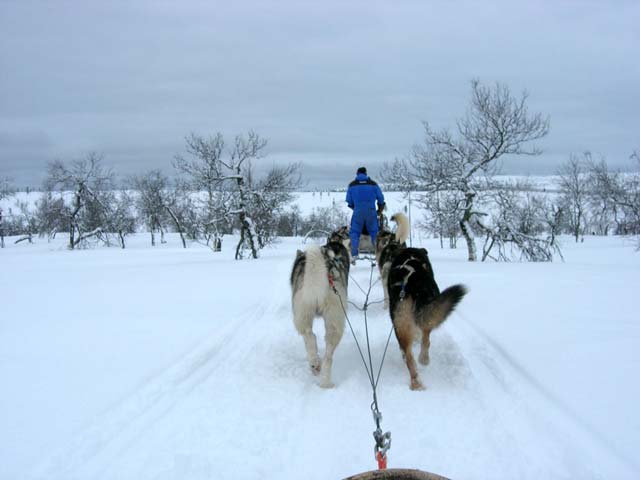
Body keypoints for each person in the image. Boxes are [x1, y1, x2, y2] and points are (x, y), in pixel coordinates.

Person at [345, 166, 385, 260]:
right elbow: (381, 199)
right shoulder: (373, 184)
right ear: (366, 174)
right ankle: (377, 254)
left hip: (358, 211)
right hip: (371, 211)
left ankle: (354, 255)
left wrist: (356, 208)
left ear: (357, 174)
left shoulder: (352, 185)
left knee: (354, 233)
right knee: (374, 232)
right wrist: (379, 209)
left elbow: (349, 201)